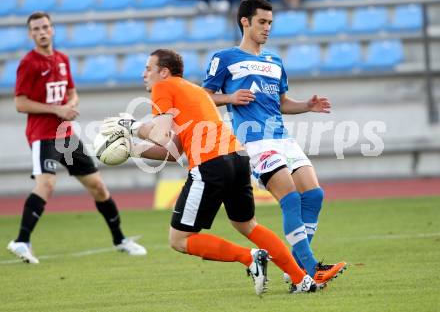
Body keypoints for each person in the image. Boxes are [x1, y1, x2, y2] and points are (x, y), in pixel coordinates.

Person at [100, 48, 319, 295]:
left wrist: (132, 127)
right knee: (248, 226)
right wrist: (132, 148)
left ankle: (250, 258)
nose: (144, 74)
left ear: (163, 72)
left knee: (179, 240)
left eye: (148, 68)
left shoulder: (164, 87)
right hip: (237, 158)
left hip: (211, 164)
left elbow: (160, 135)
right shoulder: (192, 91)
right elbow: (172, 152)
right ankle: (302, 280)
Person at [202, 0, 346, 286]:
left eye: (270, 23)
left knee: (314, 195)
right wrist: (229, 97)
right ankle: (309, 268)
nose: (268, 28)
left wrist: (306, 105)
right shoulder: (225, 57)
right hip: (255, 142)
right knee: (290, 198)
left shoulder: (274, 60)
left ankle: (295, 267)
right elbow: (203, 96)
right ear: (245, 21)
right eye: (262, 22)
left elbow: (281, 102)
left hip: (282, 138)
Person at [7, 11, 146, 264]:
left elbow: (72, 92)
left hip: (66, 135)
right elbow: (20, 103)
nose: (41, 32)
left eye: (45, 27)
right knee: (47, 185)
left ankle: (120, 239)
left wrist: (71, 104)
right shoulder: (29, 63)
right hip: (43, 136)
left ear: (53, 30)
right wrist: (57, 110)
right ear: (30, 34)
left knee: (98, 187)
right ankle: (21, 241)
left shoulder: (62, 59)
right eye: (36, 29)